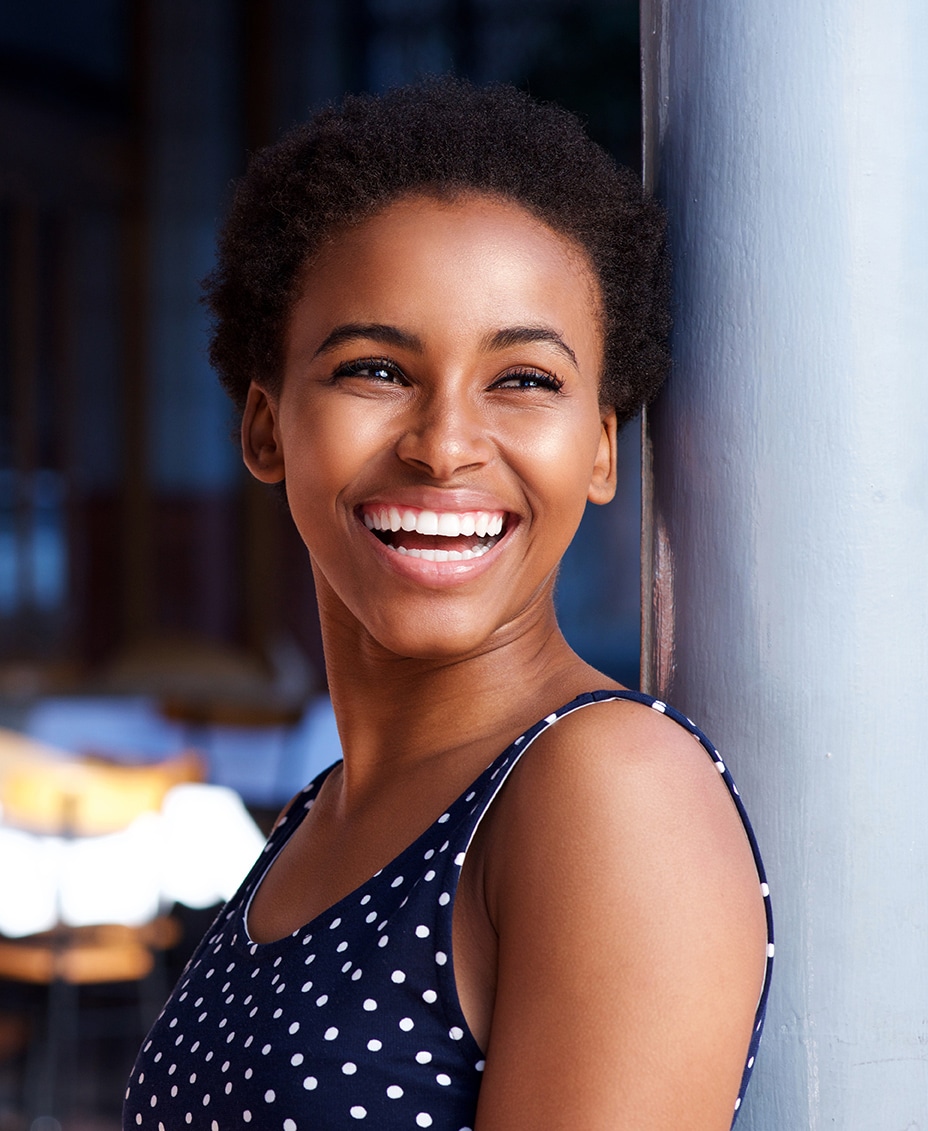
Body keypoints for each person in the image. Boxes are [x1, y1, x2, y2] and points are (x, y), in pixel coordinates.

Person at [124, 77, 772, 1130]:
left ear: (601, 449)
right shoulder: (317, 818)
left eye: (524, 379)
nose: (444, 445)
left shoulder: (608, 788)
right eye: (376, 369)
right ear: (266, 427)